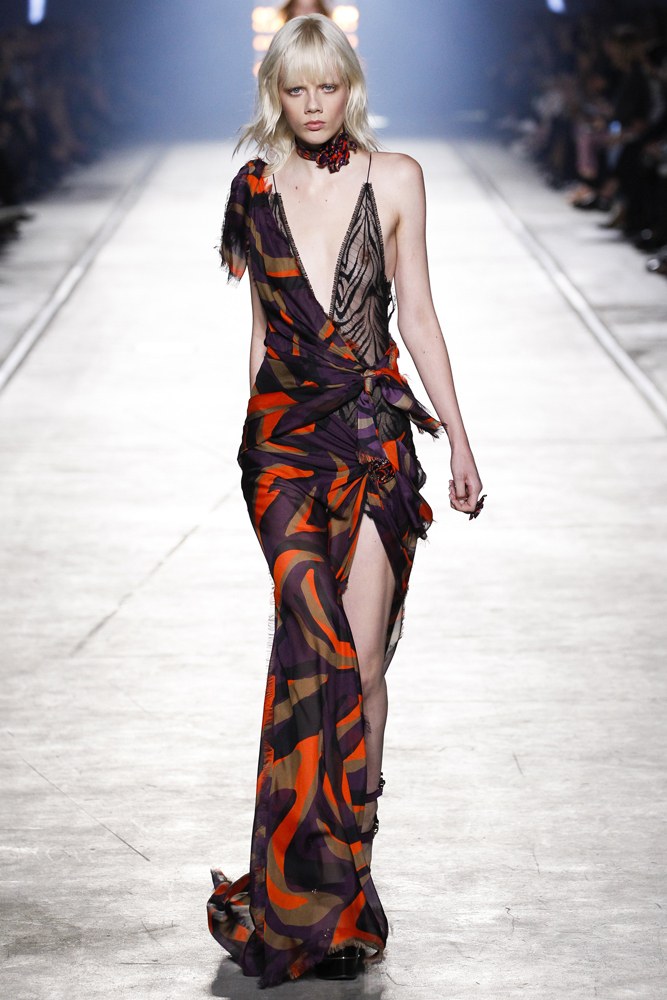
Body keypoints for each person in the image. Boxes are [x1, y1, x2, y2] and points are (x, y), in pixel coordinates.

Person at [206, 14, 484, 988]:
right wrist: (254, 438)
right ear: (274, 94)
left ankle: (347, 892)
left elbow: (419, 312)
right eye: (297, 89)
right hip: (284, 450)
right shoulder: (253, 191)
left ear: (350, 87)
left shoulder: (397, 178)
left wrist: (459, 437)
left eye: (328, 87)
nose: (314, 104)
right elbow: (261, 329)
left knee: (358, 664)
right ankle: (300, 887)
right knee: (310, 652)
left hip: (371, 443)